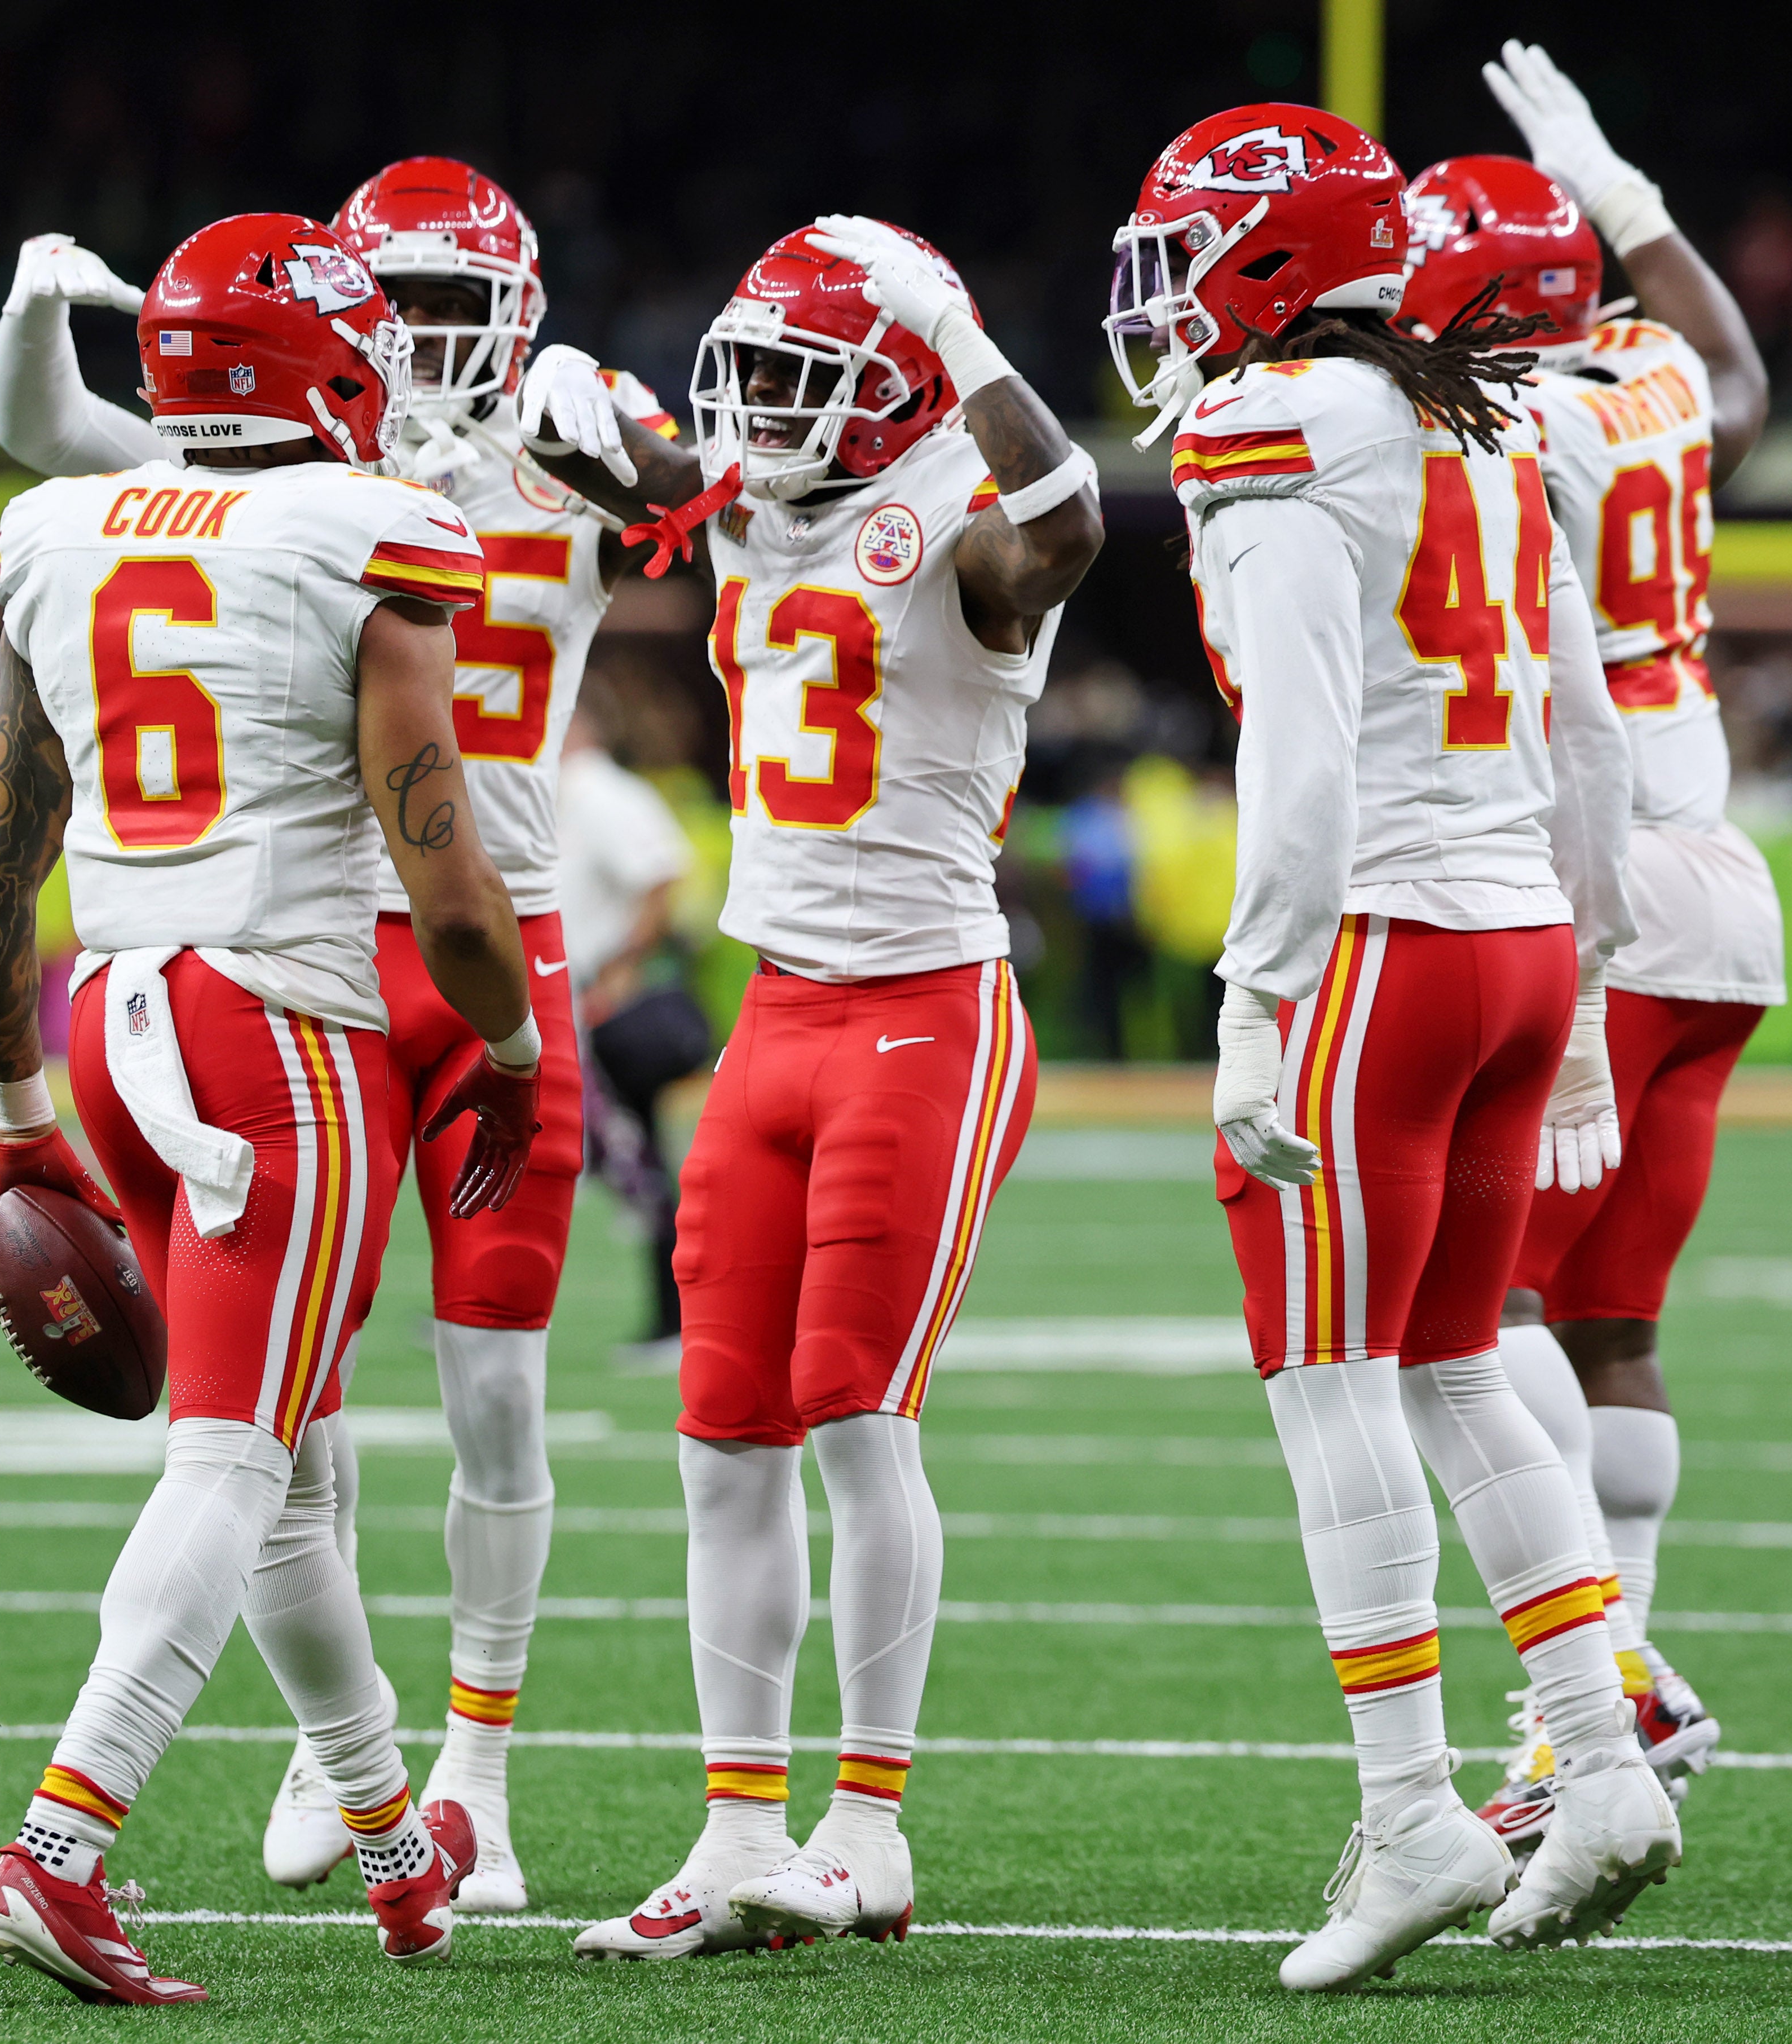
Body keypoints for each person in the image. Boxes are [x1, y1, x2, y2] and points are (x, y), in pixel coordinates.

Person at [0, 159, 678, 1914]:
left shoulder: (544, 458)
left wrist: (648, 461)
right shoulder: (298, 494)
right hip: (328, 969)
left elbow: (737, 514)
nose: (432, 344)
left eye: (462, 310)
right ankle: (341, 1755)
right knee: (291, 1411)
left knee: (494, 1389)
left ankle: (472, 1775)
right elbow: (54, 421)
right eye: (403, 306)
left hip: (478, 944)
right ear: (346, 320)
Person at [1106, 102, 1670, 1988]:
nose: (1167, 286)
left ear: (1270, 258)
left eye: (1190, 246)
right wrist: (1585, 982)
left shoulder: (1283, 422)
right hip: (1508, 936)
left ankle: (1411, 1801)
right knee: (1450, 1358)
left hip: (1377, 949)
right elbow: (1585, 728)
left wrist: (1253, 989)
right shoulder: (1476, 411)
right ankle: (1594, 1765)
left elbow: (1304, 750)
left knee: (1327, 1375)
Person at [514, 215, 1101, 1955]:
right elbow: (624, 465)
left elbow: (1066, 524)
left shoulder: (963, 519)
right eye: (753, 375)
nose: (761, 409)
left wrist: (960, 327)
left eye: (800, 378)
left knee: (855, 1407)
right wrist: (537, 413)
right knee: (719, 1440)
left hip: (923, 1007)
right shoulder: (767, 487)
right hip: (772, 1006)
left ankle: (869, 1823)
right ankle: (735, 1824)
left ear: (908, 381)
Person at [1400, 39, 1786, 1850]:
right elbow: (1738, 370)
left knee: (1475, 1315)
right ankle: (1617, 1659)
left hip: (1605, 872)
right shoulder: (1636, 376)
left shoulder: (1512, 421)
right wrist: (1626, 202)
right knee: (1613, 1317)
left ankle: (1611, 1683)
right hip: (1720, 881)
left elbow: (1537, 692)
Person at [558, 685, 707, 1359]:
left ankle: (675, 1317)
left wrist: (618, 971)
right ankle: (480, 1309)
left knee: (637, 1165)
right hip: (573, 998)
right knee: (616, 1162)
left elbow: (661, 878)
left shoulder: (599, 793)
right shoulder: (582, 791)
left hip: (597, 1005)